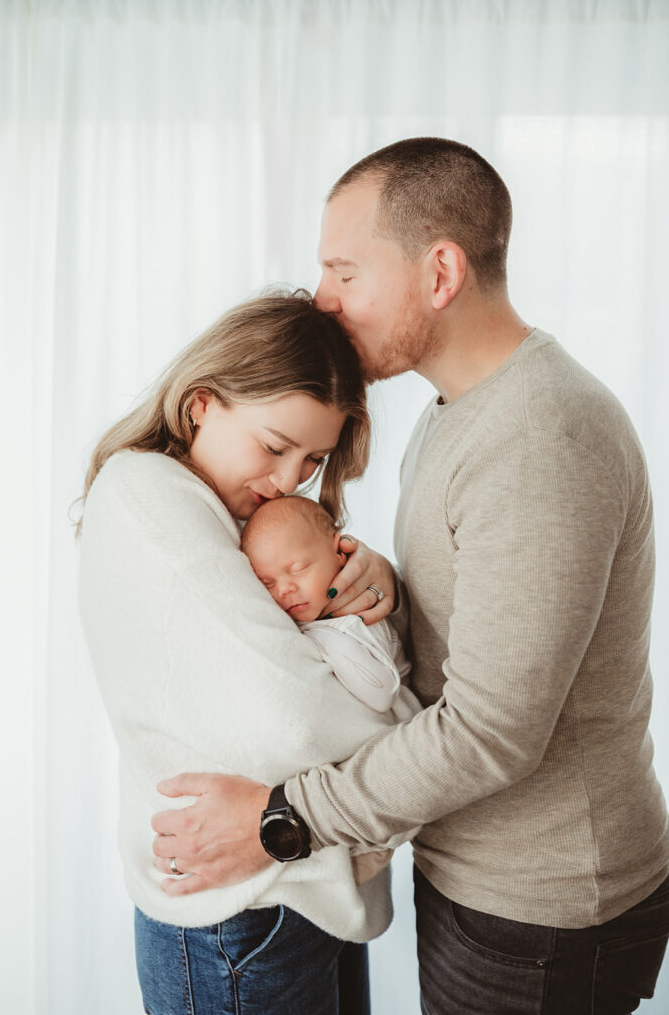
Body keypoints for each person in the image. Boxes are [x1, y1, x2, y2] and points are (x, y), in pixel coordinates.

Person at [151, 139, 669, 1014]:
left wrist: (283, 818)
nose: (322, 298)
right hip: (480, 877)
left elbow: (493, 732)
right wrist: (382, 580)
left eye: (344, 270)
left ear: (439, 272)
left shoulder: (541, 432)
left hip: (539, 910)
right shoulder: (459, 416)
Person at [78, 289, 413, 1015]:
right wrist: (417, 746)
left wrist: (363, 583)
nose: (288, 480)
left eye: (312, 459)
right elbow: (288, 715)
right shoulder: (148, 495)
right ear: (202, 404)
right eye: (273, 446)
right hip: (241, 918)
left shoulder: (237, 513)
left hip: (299, 881)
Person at [241, 495, 416, 715]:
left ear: (339, 552)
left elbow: (382, 695)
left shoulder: (353, 623)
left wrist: (318, 639)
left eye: (298, 569)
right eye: (267, 583)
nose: (283, 589)